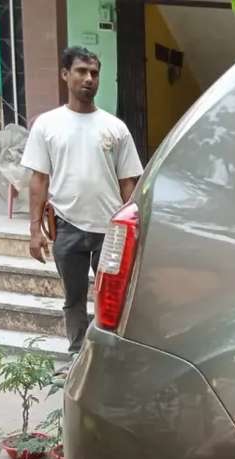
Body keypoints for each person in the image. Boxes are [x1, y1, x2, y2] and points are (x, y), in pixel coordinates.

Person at [21, 46, 143, 354]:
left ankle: (110, 354)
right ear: (65, 75)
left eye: (94, 73)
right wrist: (35, 231)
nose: (89, 79)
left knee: (114, 296)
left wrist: (135, 231)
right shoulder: (47, 125)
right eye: (81, 71)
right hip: (67, 226)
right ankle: (77, 353)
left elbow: (129, 182)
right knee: (73, 298)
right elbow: (39, 180)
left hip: (110, 230)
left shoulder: (115, 128)